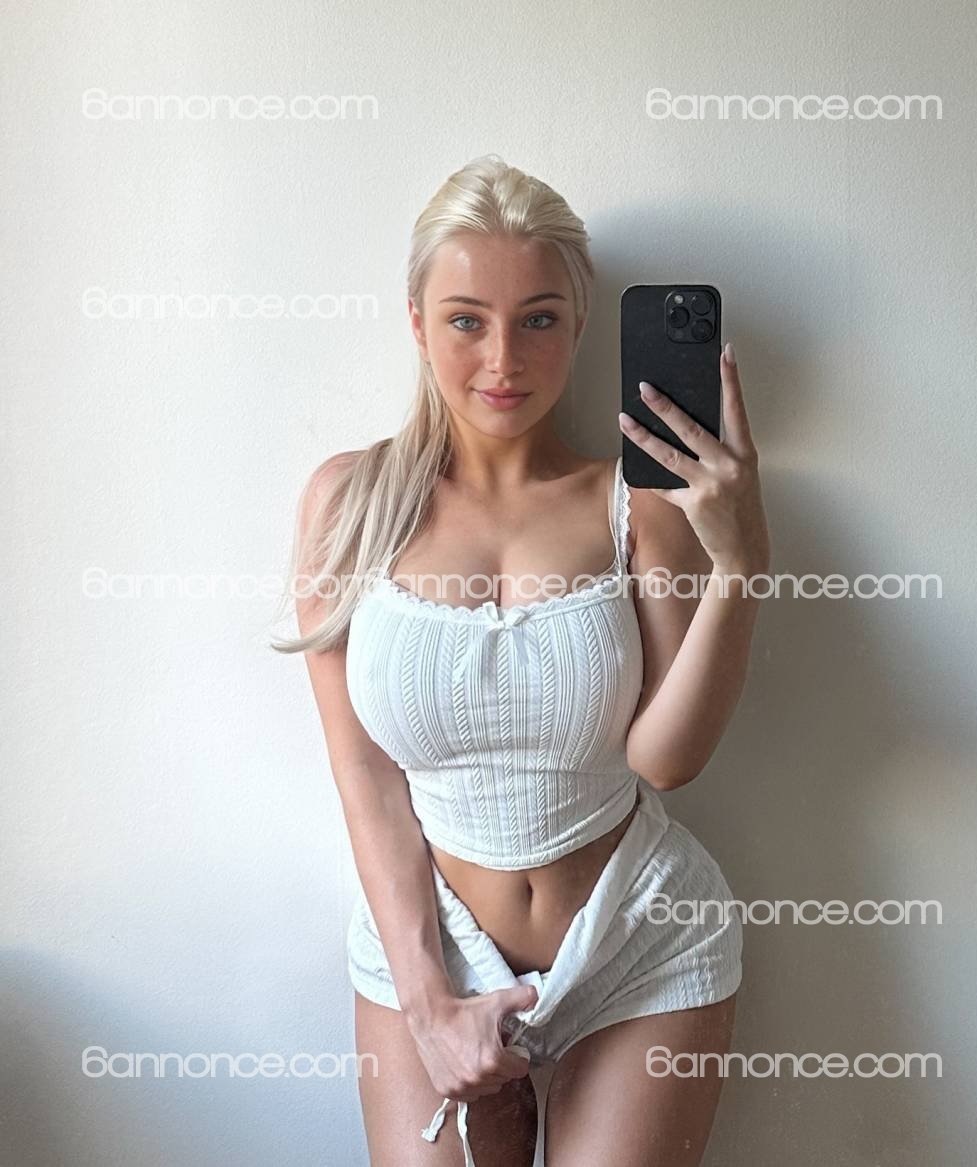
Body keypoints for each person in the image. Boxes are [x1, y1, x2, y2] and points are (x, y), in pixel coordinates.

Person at [273, 154, 771, 1167]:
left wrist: (741, 565)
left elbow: (668, 759)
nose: (503, 358)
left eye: (538, 318)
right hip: (432, 953)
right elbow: (365, 776)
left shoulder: (639, 506)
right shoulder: (348, 505)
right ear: (417, 323)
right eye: (466, 319)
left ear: (579, 325)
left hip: (639, 937)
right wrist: (429, 1004)